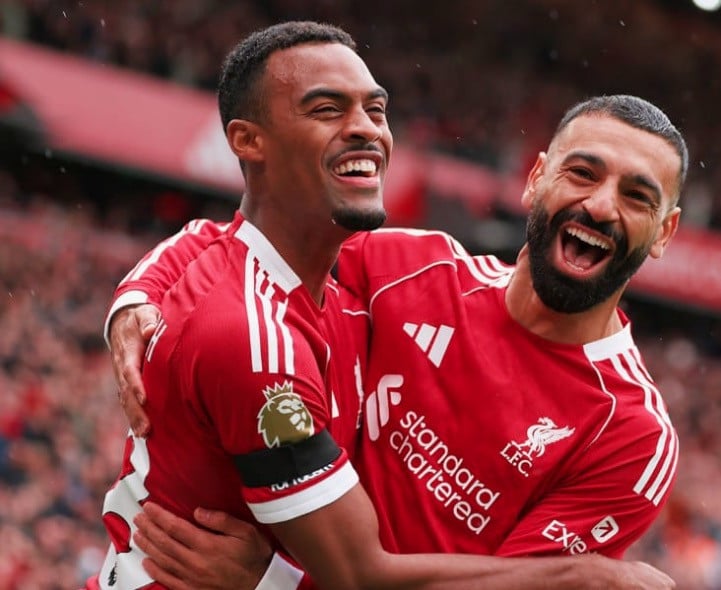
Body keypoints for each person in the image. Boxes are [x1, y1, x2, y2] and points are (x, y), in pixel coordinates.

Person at [97, 21, 682, 590]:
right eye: (582, 173)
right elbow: (250, 245)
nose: (600, 206)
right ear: (536, 179)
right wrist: (136, 298)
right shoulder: (414, 270)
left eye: (637, 197)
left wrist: (274, 582)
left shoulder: (632, 437)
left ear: (664, 232)